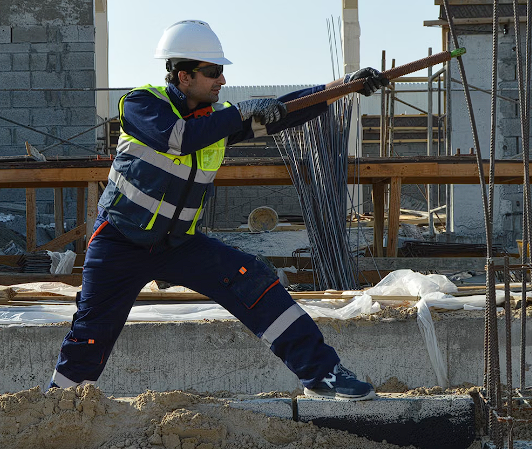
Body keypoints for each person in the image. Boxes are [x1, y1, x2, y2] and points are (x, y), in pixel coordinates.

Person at [48, 20, 388, 400]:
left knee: (254, 280)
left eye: (222, 72)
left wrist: (342, 87)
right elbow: (178, 139)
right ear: (184, 76)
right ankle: (61, 405)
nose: (222, 80)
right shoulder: (141, 104)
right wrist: (240, 113)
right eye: (213, 72)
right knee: (93, 331)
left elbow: (286, 113)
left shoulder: (217, 120)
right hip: (119, 242)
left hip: (178, 244)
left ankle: (324, 376)